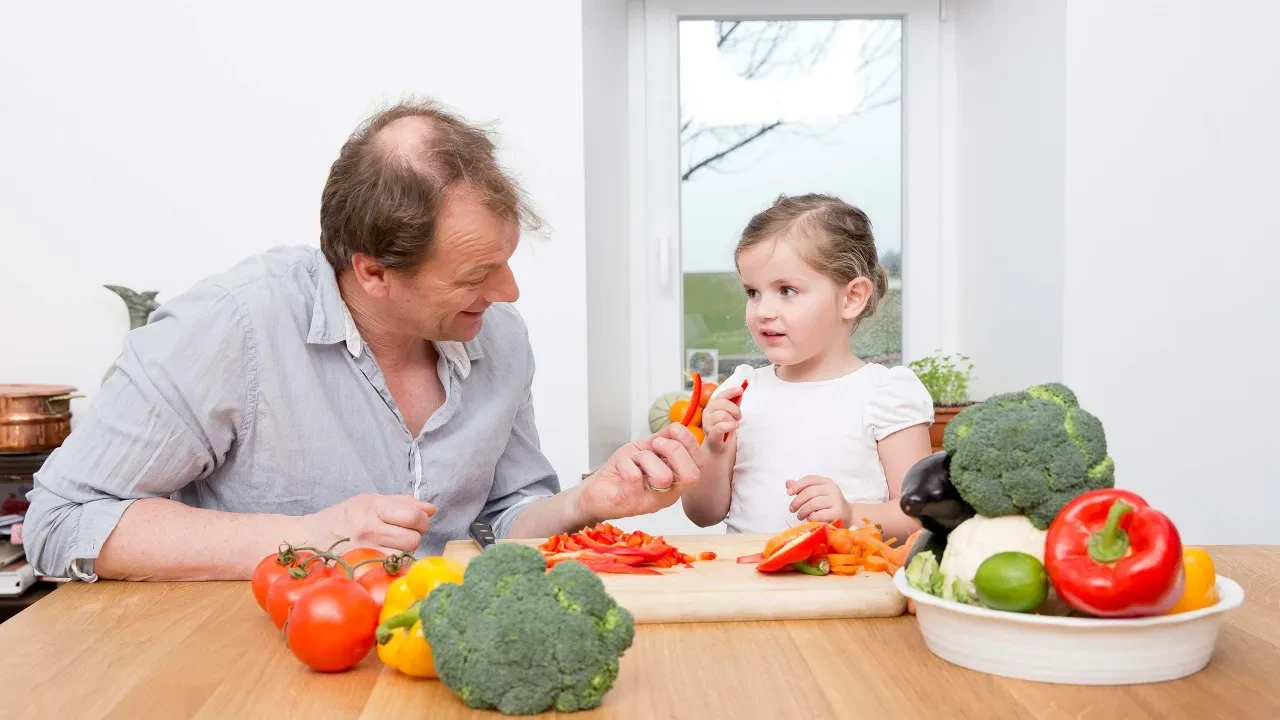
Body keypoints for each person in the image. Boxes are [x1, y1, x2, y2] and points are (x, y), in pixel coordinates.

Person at [23, 99, 702, 582]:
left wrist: (584, 502)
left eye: (506, 261)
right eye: (475, 274)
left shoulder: (498, 336)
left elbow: (500, 520)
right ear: (373, 271)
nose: (510, 293)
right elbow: (62, 519)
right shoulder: (234, 326)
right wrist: (312, 536)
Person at [681, 193, 932, 541]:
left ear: (852, 298)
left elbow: (918, 517)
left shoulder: (886, 394)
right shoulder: (740, 391)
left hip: (845, 573)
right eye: (753, 292)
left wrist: (851, 514)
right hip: (745, 571)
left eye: (786, 290)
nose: (763, 311)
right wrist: (714, 449)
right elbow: (702, 515)